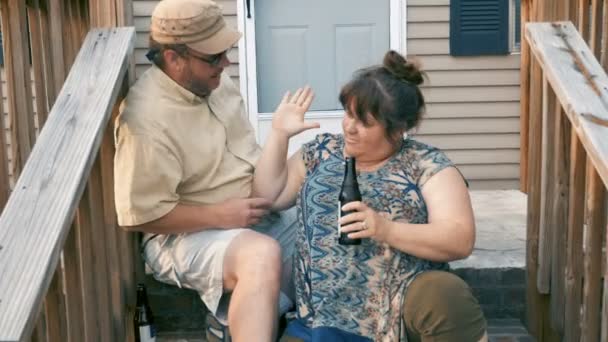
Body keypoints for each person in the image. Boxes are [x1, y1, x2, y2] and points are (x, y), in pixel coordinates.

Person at [251, 50, 488, 341]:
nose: (349, 126)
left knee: (444, 293)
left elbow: (459, 238)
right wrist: (278, 134)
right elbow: (269, 196)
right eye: (349, 113)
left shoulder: (426, 165)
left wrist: (385, 229)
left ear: (398, 128)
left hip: (397, 308)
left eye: (364, 121)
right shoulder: (320, 152)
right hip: (321, 317)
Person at [113, 0, 308, 340]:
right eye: (213, 57)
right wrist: (218, 214)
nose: (226, 63)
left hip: (253, 213)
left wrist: (281, 139)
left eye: (226, 51)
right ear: (174, 58)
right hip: (184, 235)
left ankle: (232, 322)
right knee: (261, 255)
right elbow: (140, 215)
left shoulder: (215, 83)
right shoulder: (146, 121)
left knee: (327, 227)